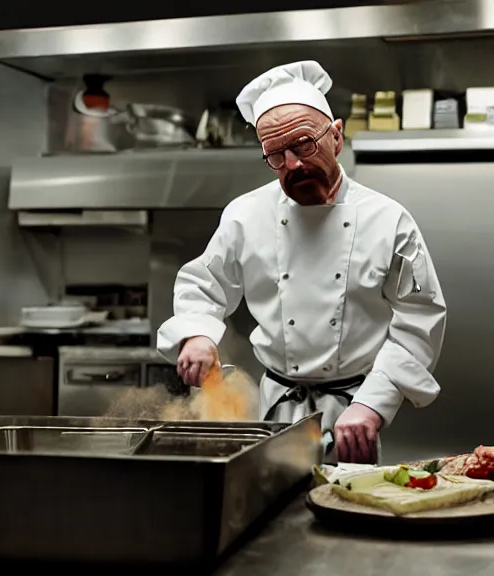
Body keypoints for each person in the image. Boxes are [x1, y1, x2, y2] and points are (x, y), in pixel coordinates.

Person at [157, 61, 447, 464]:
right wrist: (197, 334)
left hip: (355, 411)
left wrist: (374, 403)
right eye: (276, 155)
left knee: (348, 511)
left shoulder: (389, 220)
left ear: (337, 136)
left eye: (304, 145)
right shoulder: (246, 215)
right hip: (273, 412)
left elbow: (419, 319)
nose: (292, 164)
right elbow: (203, 284)